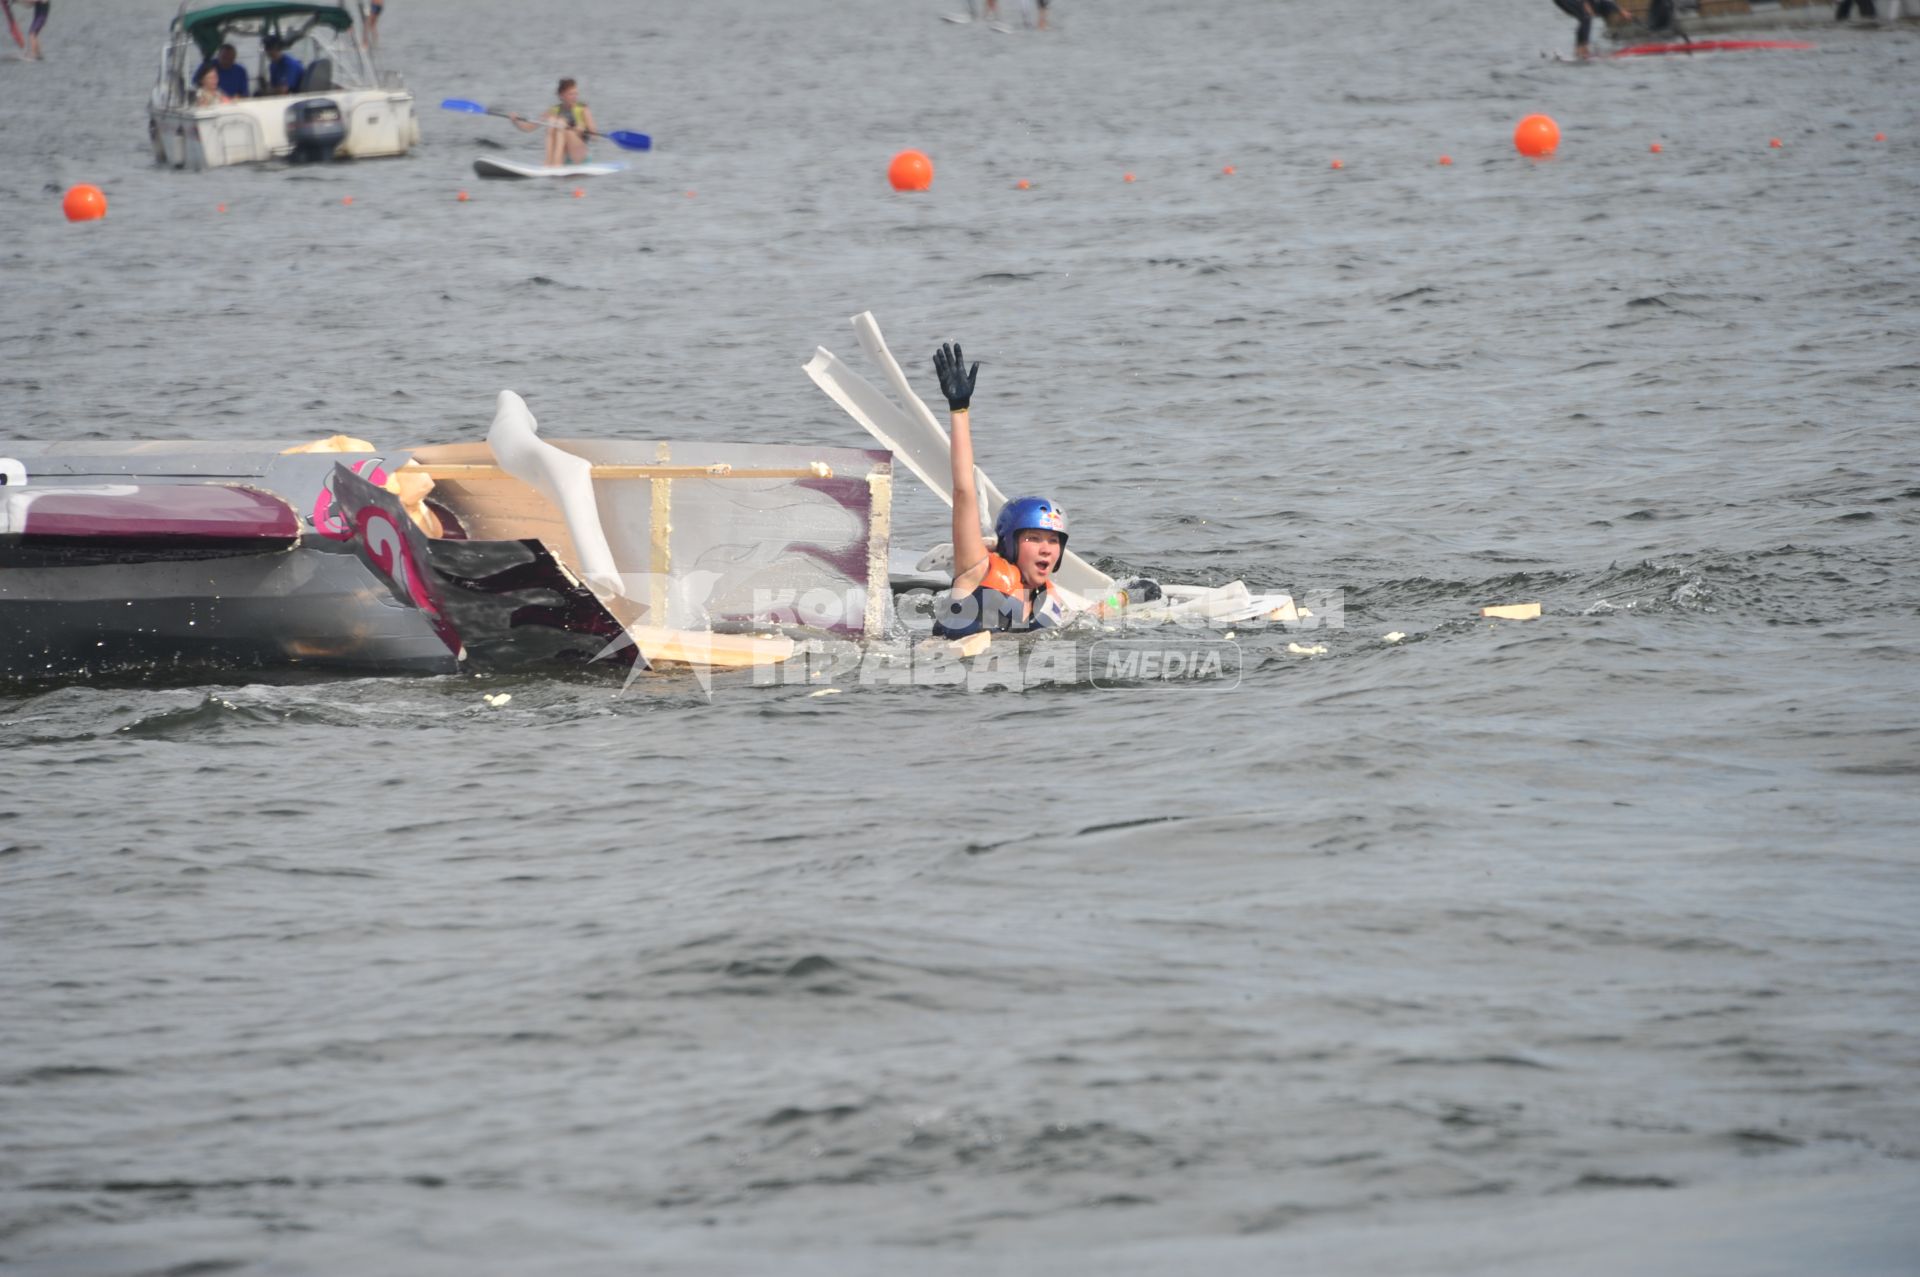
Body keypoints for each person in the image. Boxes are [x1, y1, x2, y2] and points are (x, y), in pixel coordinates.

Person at [927, 342, 1073, 640]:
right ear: (1009, 543)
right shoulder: (977, 569)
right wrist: (959, 409)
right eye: (1034, 538)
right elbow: (964, 491)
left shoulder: (1051, 599)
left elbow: (1092, 615)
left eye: (1053, 540)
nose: (1046, 548)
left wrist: (1123, 598)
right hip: (941, 672)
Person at [509, 78, 596, 167]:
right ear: (562, 95)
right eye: (571, 94)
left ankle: (555, 164)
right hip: (565, 157)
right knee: (552, 121)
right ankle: (549, 163)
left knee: (561, 123)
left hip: (579, 155)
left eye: (576, 93)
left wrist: (581, 129)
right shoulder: (554, 110)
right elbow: (529, 128)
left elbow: (594, 136)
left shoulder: (583, 109)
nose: (575, 97)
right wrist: (516, 122)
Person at [1552, 0, 1626, 58]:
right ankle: (1582, 50)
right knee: (1586, 17)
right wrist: (1586, 4)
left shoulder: (1599, 4)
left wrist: (1621, 11)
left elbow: (1606, 3)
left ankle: (1579, 51)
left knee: (1585, 17)